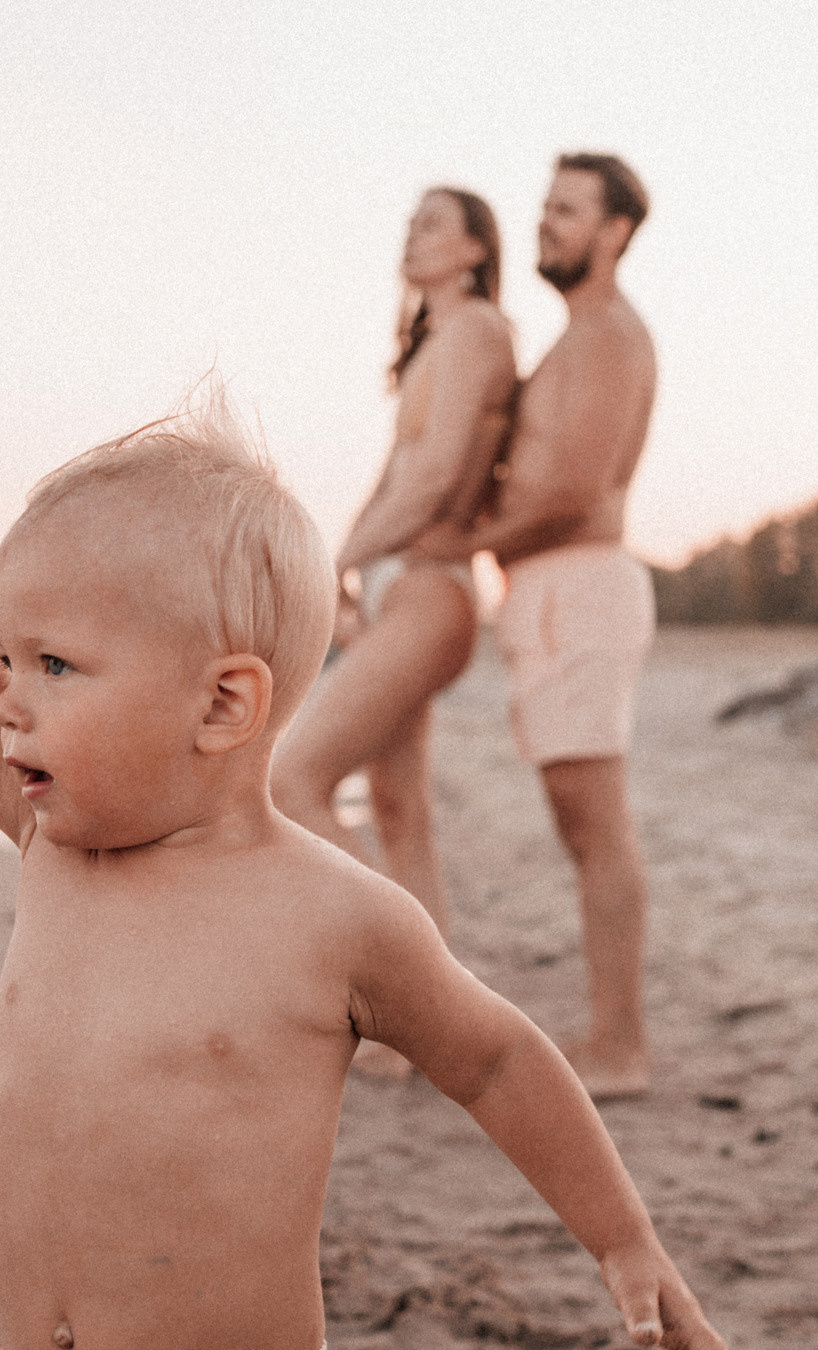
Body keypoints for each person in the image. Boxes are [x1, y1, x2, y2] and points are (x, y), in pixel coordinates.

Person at [0, 235, 741, 1350]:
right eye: (11, 661)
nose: (5, 703)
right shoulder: (50, 840)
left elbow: (495, 1055)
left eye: (54, 666)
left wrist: (626, 1243)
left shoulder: (328, 916)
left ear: (225, 704)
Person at [409, 152, 661, 1100]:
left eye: (568, 211)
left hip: (579, 589)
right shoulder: (576, 336)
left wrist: (462, 537)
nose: (546, 224)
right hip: (553, 596)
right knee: (580, 821)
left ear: (615, 230)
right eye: (545, 208)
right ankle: (614, 1035)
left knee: (595, 823)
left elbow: (572, 488)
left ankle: (620, 1046)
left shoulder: (607, 336)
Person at [273, 187, 515, 933]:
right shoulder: (433, 343)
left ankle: (402, 983)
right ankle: (430, 1024)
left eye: (433, 224)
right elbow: (392, 477)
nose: (411, 235)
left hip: (428, 591)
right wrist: (344, 569)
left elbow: (440, 473)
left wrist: (341, 560)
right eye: (408, 222)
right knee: (397, 808)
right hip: (389, 583)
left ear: (476, 248)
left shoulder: (479, 328)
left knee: (291, 782)